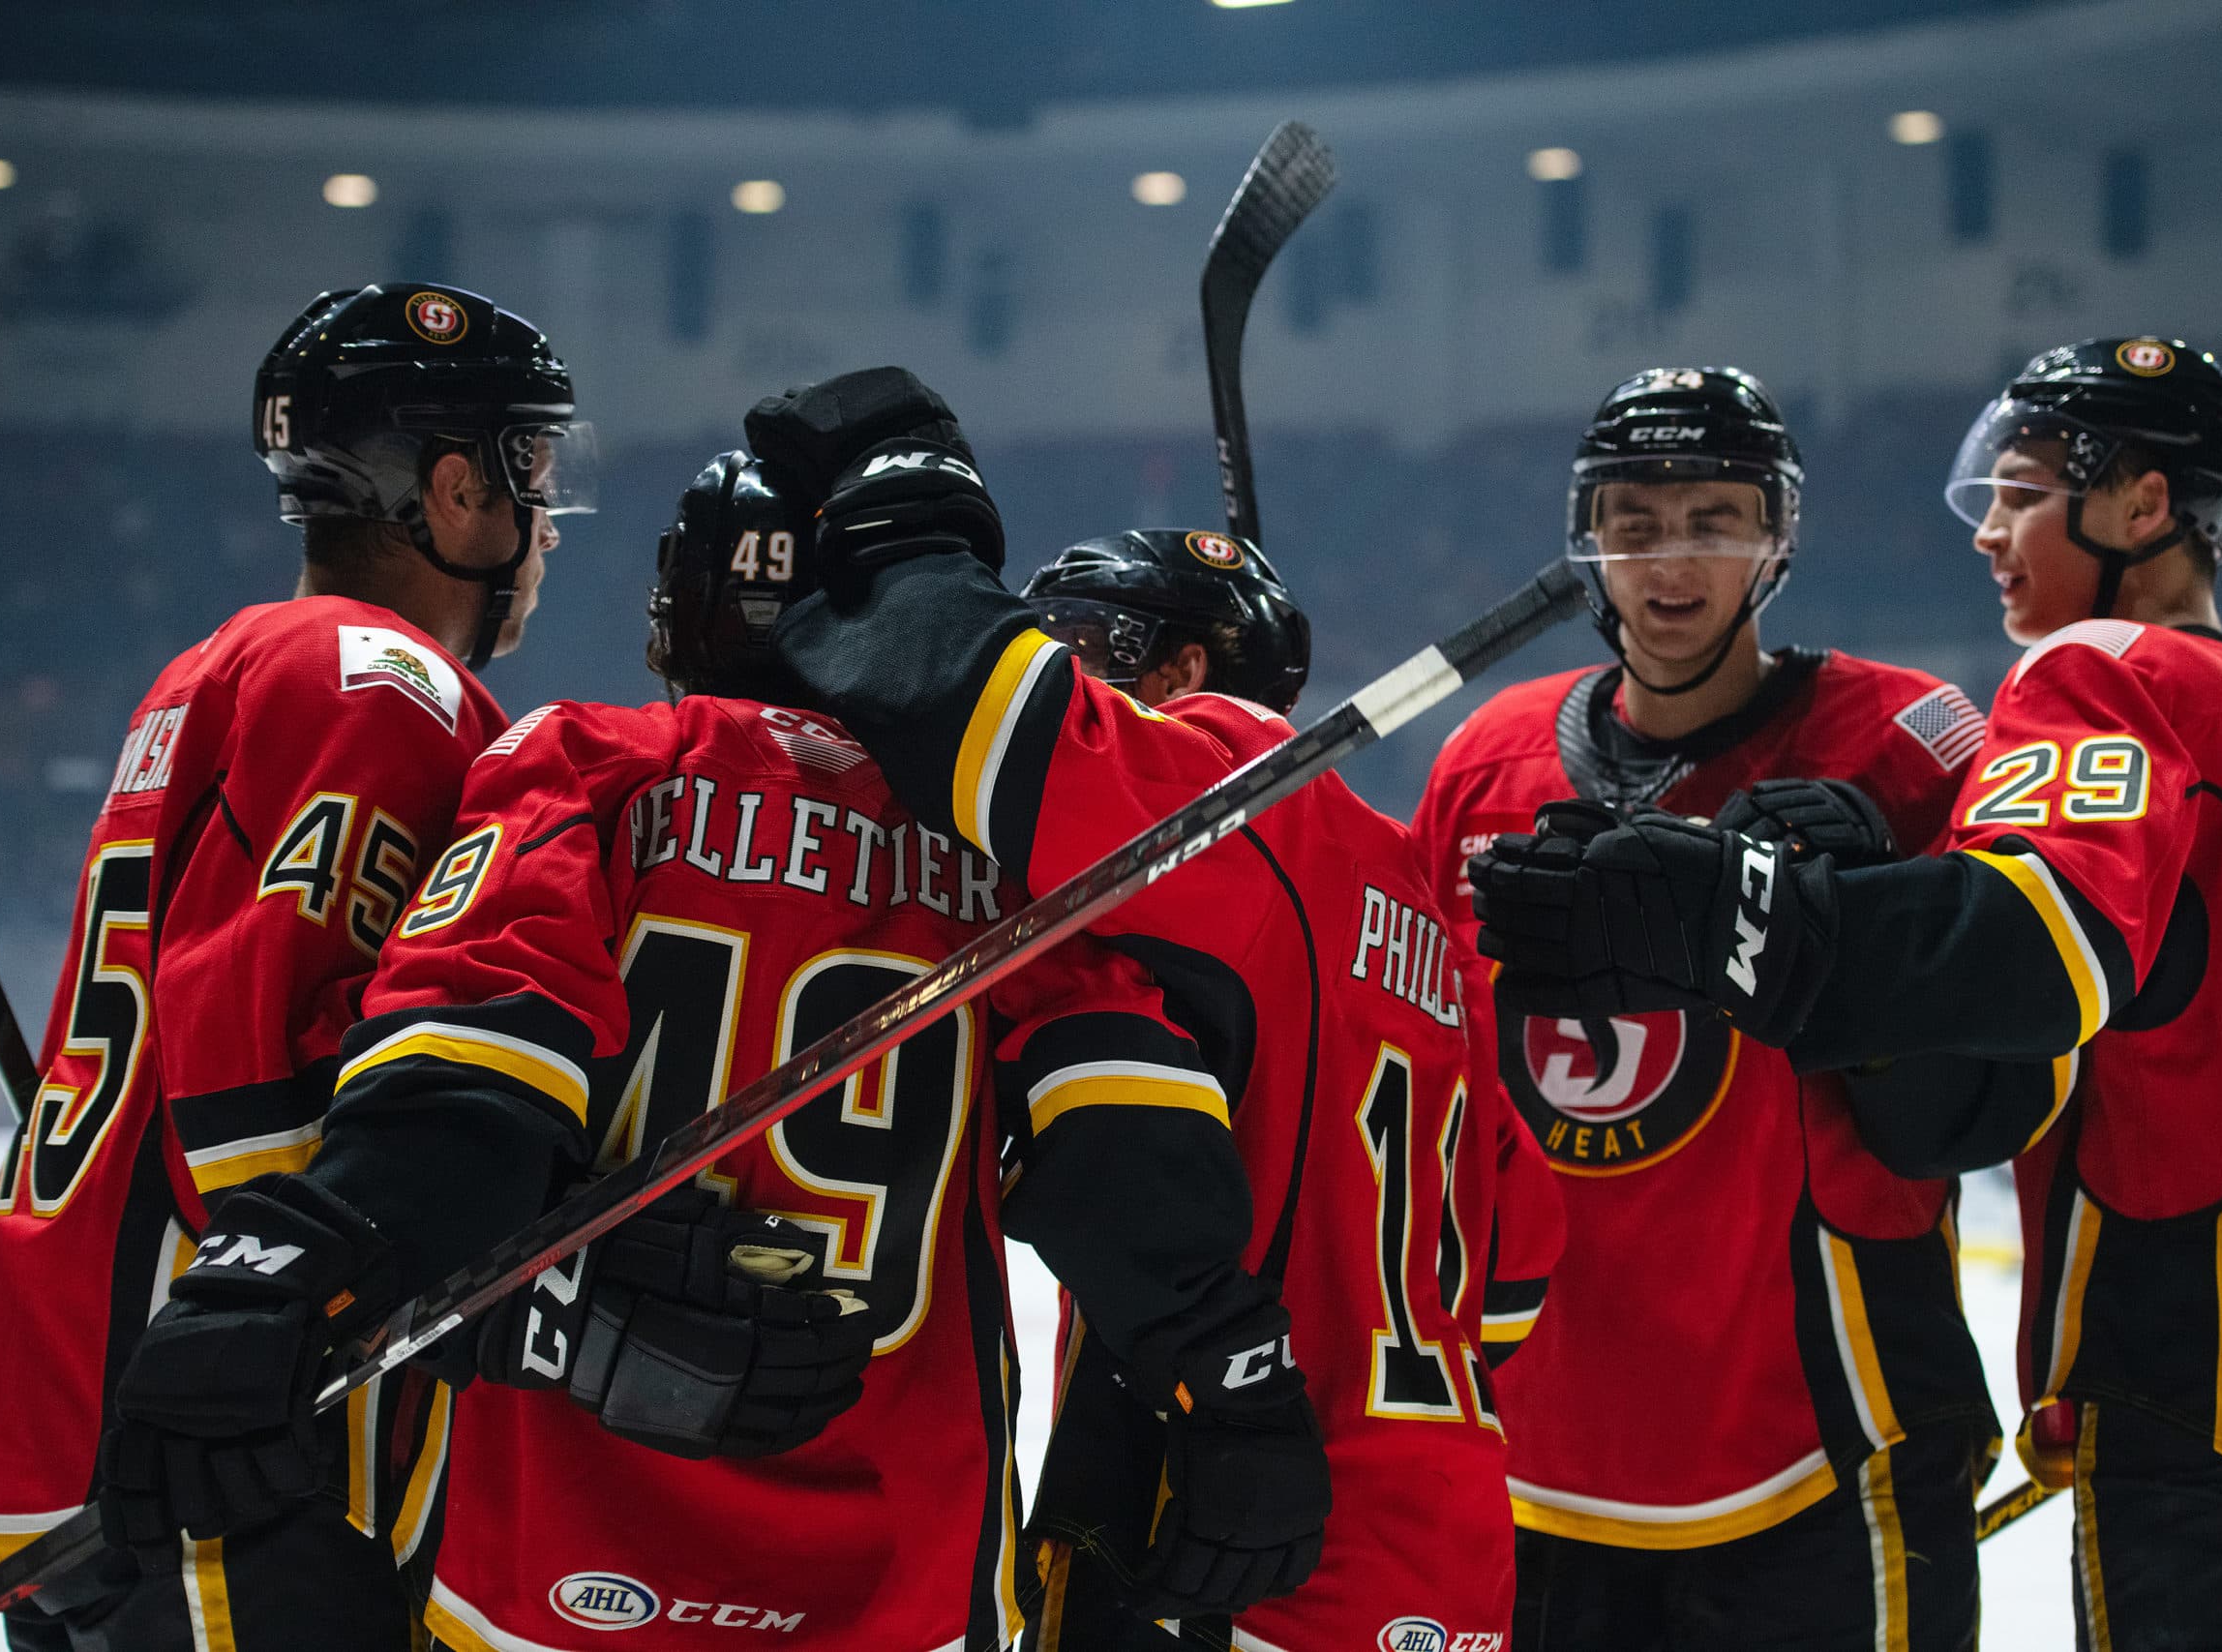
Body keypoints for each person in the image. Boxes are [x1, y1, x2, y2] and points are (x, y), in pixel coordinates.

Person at [100, 429, 1297, 1652]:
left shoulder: (589, 763)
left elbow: (460, 1084)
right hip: (908, 1583)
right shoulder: (1013, 866)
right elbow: (1130, 1163)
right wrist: (1237, 1397)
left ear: (688, 608)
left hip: (547, 1569)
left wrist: (279, 1278)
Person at [1471, 337, 2222, 1647]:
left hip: (2221, 1410)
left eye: (2023, 492)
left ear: (2142, 506)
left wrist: (1726, 909)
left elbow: (2031, 952)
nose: (1987, 530)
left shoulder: (2108, 670)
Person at [761, 374, 1562, 1652]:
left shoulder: (1236, 800)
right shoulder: (1407, 893)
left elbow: (979, 713)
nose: (1063, 663)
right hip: (1440, 1537)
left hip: (1243, 1533)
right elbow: (1515, 1267)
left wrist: (896, 495)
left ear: (1186, 668)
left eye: (1083, 639)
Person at [0, 282, 587, 1652]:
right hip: (220, 1424)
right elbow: (271, 1064)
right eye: (530, 468)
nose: (548, 522)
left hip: (82, 1388)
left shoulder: (217, 664)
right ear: (453, 490)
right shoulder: (376, 679)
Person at [1410, 366, 1997, 1650]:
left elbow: (1991, 1079)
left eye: (1714, 519)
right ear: (1586, 538)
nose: (1671, 561)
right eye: (1634, 522)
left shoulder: (1913, 741)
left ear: (1777, 534)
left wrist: (1879, 894)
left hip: (1825, 1434)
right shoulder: (1482, 759)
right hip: (1534, 1446)